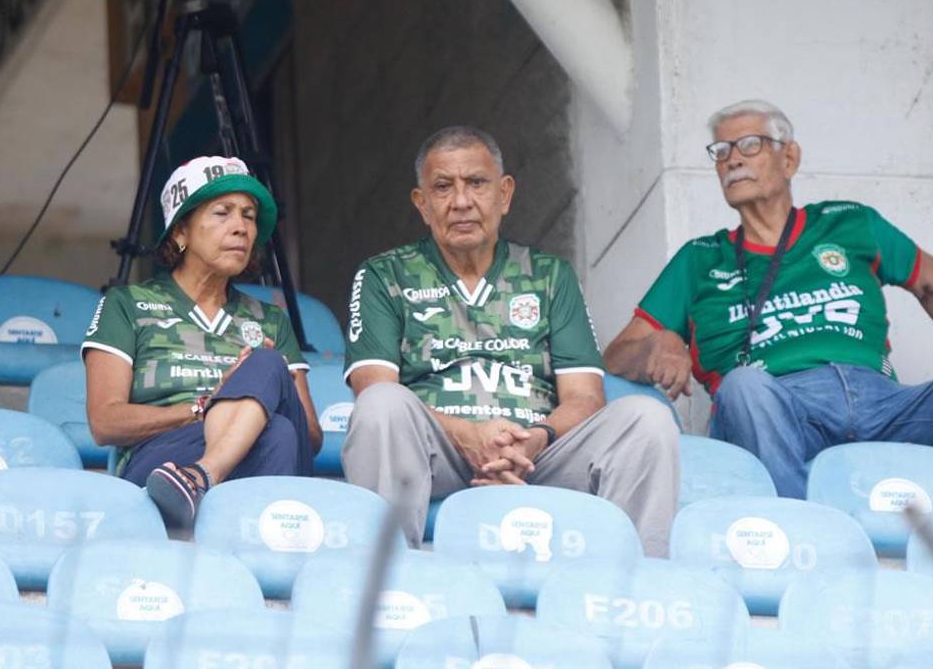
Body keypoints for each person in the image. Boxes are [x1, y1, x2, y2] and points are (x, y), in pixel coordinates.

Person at [604, 100, 933, 498]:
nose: (733, 159)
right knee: (744, 386)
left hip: (882, 402)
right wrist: (657, 344)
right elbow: (615, 356)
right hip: (779, 405)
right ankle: (799, 536)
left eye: (750, 145)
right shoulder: (700, 258)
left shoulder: (848, 223)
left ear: (789, 158)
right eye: (721, 151)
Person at [342, 127, 679, 556]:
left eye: (476, 183)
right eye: (443, 187)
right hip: (438, 451)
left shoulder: (550, 275)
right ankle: (390, 575)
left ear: (504, 194)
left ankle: (637, 579)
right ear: (422, 204)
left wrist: (535, 438)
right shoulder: (384, 274)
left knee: (647, 419)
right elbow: (372, 385)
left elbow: (584, 396)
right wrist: (470, 436)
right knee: (381, 404)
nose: (461, 201)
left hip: (537, 455)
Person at [83, 156, 322, 530]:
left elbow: (311, 436)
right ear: (181, 231)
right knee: (276, 433)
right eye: (222, 213)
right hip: (166, 462)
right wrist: (204, 408)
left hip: (244, 464)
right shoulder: (127, 304)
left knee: (268, 373)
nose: (241, 228)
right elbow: (104, 422)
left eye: (248, 216)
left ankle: (203, 476)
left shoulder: (271, 319)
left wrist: (266, 388)